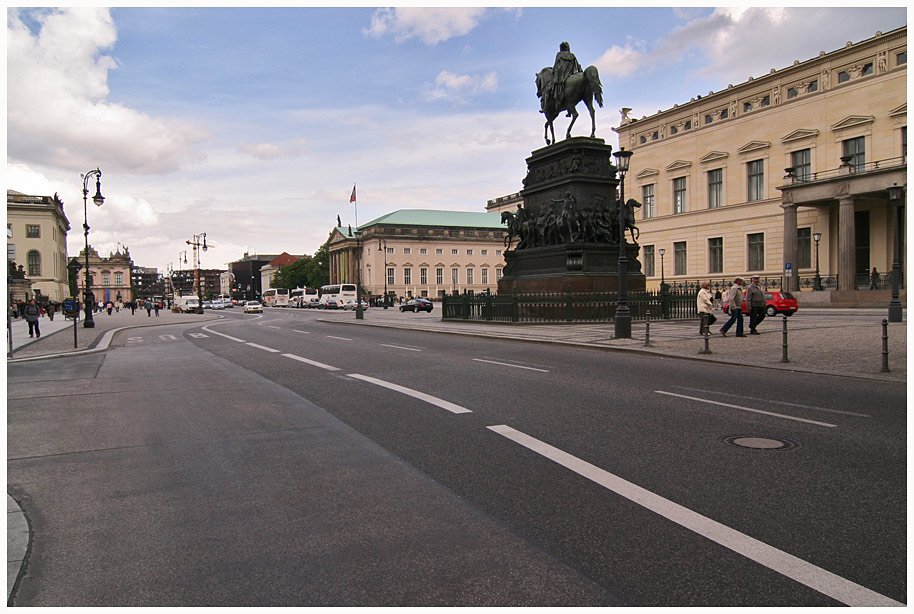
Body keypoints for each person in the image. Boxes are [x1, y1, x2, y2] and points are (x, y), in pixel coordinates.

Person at [551, 41, 582, 116]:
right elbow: (577, 66)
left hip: (562, 76)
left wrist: (553, 72)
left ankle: (558, 102)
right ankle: (569, 109)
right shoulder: (572, 55)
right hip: (570, 75)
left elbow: (556, 65)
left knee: (554, 86)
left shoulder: (559, 55)